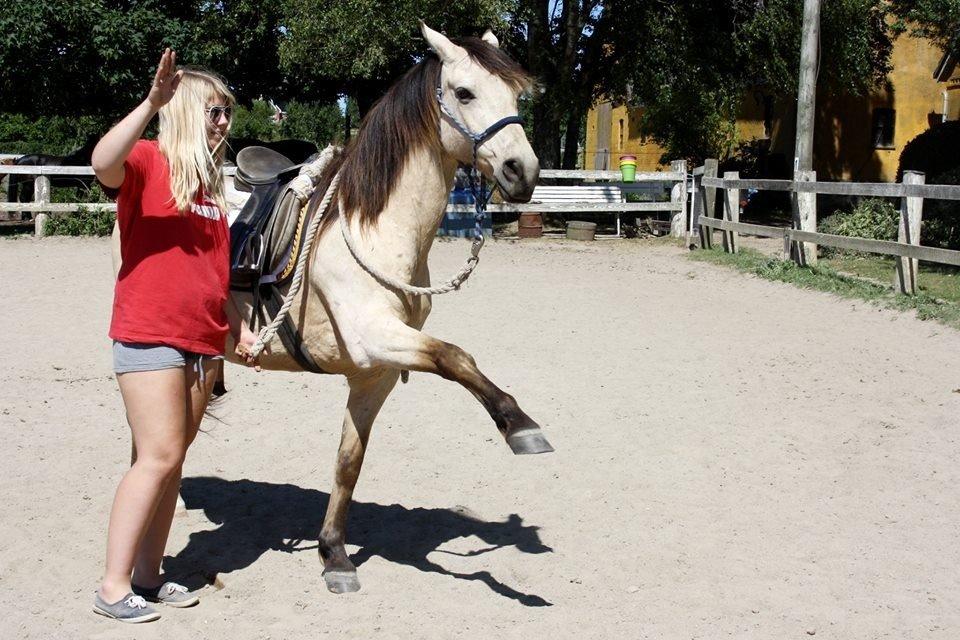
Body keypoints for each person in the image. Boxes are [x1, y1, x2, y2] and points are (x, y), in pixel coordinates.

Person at [91, 49, 258, 623]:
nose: (224, 123)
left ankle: (149, 575)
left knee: (171, 460)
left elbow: (214, 280)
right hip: (149, 336)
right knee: (157, 456)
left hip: (202, 344)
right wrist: (151, 102)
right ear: (186, 112)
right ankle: (113, 587)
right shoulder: (145, 162)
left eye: (228, 113)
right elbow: (100, 162)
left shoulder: (212, 193)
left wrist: (238, 338)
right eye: (214, 112)